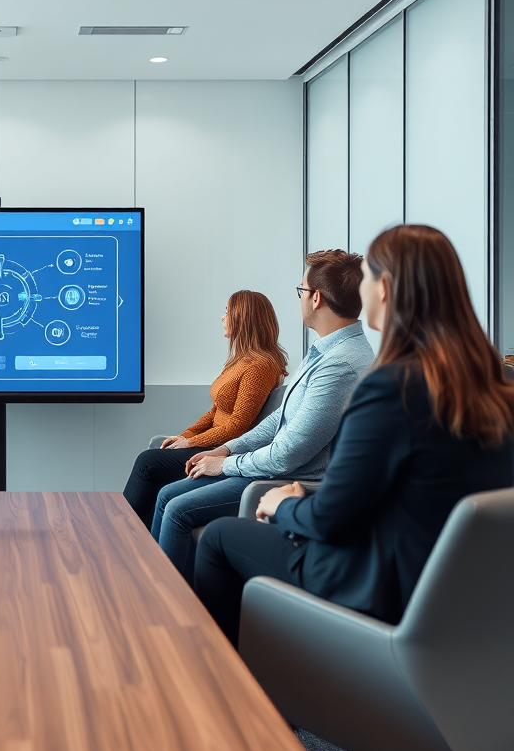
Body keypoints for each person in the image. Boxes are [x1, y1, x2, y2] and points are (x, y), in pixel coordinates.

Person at [194, 225, 514, 649]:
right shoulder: (497, 385)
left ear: (384, 289)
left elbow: (330, 519)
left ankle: (221, 690)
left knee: (218, 537)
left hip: (379, 586)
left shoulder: (390, 386)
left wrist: (285, 504)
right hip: (459, 596)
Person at [152, 250, 375, 577]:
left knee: (176, 509)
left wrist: (224, 464)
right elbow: (280, 419)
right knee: (167, 494)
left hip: (288, 480)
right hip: (269, 468)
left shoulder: (340, 365)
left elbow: (289, 453)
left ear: (316, 299)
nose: (299, 298)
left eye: (301, 290)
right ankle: (148, 587)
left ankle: (167, 608)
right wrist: (227, 448)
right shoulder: (325, 352)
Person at [123, 291, 288, 525]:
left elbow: (238, 425)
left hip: (223, 450)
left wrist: (192, 443)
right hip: (210, 442)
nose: (222, 318)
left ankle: (119, 528)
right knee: (156, 462)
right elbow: (215, 412)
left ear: (243, 318)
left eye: (227, 312)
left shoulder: (260, 366)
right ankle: (139, 541)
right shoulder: (239, 362)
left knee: (148, 462)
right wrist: (185, 435)